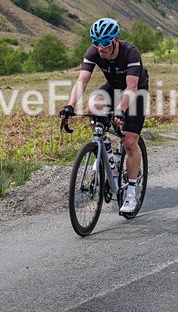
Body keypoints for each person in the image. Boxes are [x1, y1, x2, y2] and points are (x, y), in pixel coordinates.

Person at [60, 17, 149, 214]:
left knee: (129, 142)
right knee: (93, 105)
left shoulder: (130, 51)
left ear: (115, 40)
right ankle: (107, 152)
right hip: (114, 87)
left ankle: (132, 193)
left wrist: (120, 110)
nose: (101, 48)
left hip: (135, 91)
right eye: (97, 43)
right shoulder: (94, 51)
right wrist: (69, 105)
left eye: (106, 43)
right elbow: (82, 81)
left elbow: (132, 87)